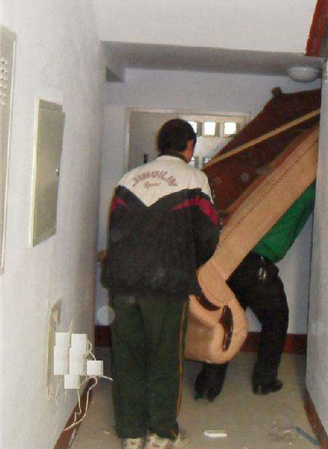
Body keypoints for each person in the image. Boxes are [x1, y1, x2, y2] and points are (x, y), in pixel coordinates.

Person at [103, 119, 220, 449]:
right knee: (165, 358)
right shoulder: (195, 179)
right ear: (189, 146)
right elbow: (209, 233)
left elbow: (116, 227)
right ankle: (161, 434)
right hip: (167, 285)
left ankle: (130, 434)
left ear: (160, 144)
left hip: (123, 282)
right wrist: (187, 263)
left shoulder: (128, 179)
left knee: (127, 357)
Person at [194, 183, 315, 401]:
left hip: (232, 259)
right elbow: (314, 189)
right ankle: (264, 381)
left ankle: (207, 386)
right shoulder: (304, 187)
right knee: (276, 318)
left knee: (227, 323)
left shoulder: (272, 187)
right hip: (256, 263)